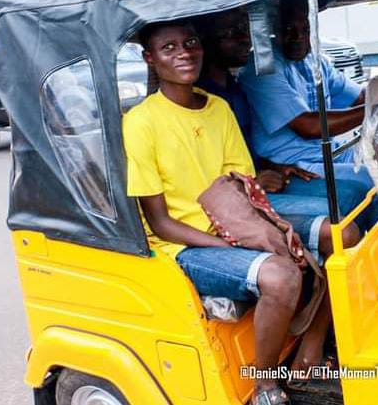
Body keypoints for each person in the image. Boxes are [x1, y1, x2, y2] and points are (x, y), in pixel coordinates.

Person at [122, 20, 358, 405]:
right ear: (151, 59)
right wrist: (225, 243)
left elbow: (243, 183)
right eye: (169, 48)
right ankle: (264, 385)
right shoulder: (140, 123)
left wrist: (257, 229)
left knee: (344, 235)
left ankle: (310, 347)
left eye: (190, 42)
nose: (184, 53)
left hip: (235, 218)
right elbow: (161, 223)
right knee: (281, 276)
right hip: (185, 242)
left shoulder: (218, 108)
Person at [195, 7, 368, 220]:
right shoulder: (206, 97)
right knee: (357, 193)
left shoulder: (232, 88)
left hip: (276, 169)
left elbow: (244, 144)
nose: (245, 38)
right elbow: (205, 166)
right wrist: (253, 179)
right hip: (241, 189)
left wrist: (271, 166)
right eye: (232, 32)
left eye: (244, 29)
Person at [238, 0, 371, 188]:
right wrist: (374, 108)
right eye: (289, 28)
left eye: (305, 29)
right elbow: (309, 127)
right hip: (294, 165)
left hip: (330, 154)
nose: (297, 37)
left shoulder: (315, 61)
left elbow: (359, 97)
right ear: (273, 28)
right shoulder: (263, 68)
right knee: (374, 180)